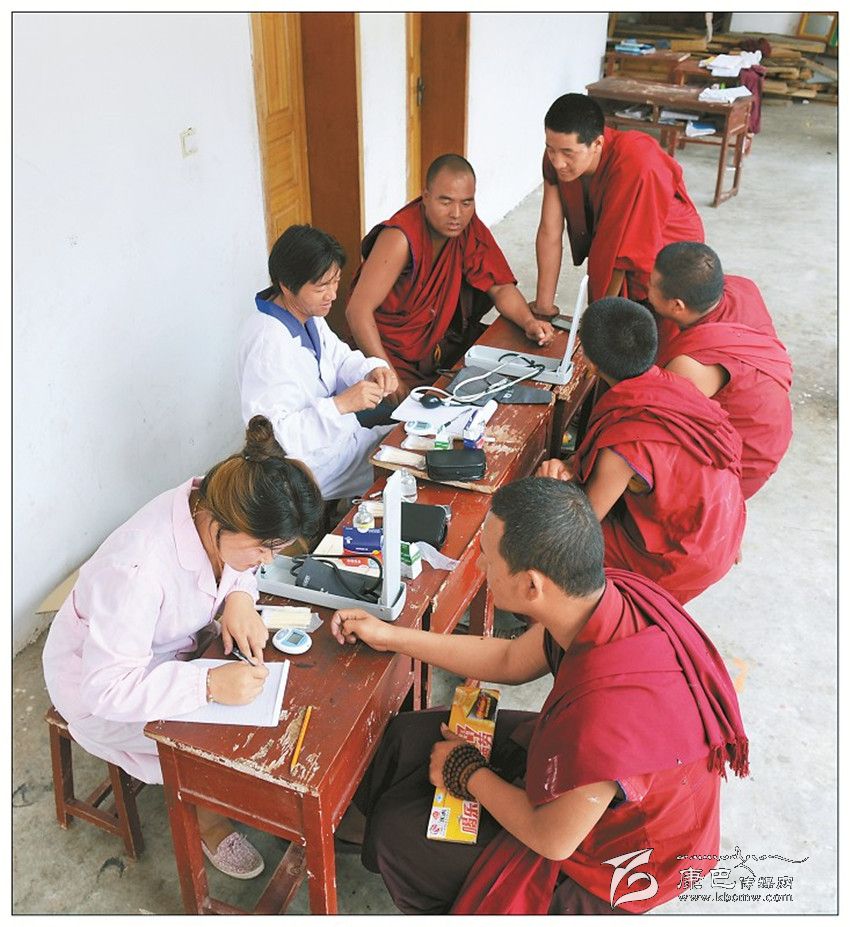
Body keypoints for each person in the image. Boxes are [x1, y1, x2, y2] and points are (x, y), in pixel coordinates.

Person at [329, 478, 748, 914]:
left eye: (489, 559)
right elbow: (510, 658)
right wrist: (391, 637)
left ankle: (391, 842)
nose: (481, 566)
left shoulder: (610, 717)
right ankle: (361, 826)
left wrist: (468, 773)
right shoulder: (595, 598)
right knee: (408, 736)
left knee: (399, 835)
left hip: (619, 855)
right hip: (589, 776)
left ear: (532, 585)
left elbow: (553, 839)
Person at [42, 416, 324, 880]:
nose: (267, 561)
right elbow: (107, 689)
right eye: (264, 549)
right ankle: (208, 818)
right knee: (219, 738)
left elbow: (238, 565)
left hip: (169, 648)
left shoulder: (212, 504)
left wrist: (239, 596)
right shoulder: (137, 570)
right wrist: (208, 684)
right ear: (224, 523)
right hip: (100, 686)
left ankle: (226, 787)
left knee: (265, 703)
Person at [538, 297, 745, 604]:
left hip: (685, 556)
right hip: (723, 525)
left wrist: (551, 487)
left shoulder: (624, 443)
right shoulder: (678, 386)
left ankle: (552, 622)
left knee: (552, 546)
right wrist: (571, 463)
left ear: (591, 365)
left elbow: (585, 523)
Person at [346, 153, 554, 401]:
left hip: (437, 348)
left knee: (513, 368)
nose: (456, 214)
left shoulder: (468, 229)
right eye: (445, 202)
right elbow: (358, 311)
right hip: (388, 358)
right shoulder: (400, 238)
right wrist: (388, 376)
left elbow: (499, 287)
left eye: (466, 203)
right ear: (426, 197)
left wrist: (529, 322)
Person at [239, 224, 398, 501]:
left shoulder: (308, 314)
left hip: (336, 442)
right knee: (405, 466)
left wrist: (372, 370)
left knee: (411, 438)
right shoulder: (268, 344)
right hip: (308, 470)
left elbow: (340, 358)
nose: (333, 295)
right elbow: (277, 437)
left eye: (335, 281)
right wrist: (342, 405)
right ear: (287, 286)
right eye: (322, 286)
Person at [533, 93, 705, 311]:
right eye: (550, 148)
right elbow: (549, 231)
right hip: (616, 247)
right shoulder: (557, 157)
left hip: (668, 252)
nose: (558, 162)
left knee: (639, 319)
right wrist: (543, 307)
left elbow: (620, 255)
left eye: (568, 152)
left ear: (597, 143)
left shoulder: (636, 161)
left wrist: (600, 319)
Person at [649, 242, 793, 499]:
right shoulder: (743, 288)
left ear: (677, 306)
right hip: (773, 431)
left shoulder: (690, 367)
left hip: (741, 464)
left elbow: (653, 426)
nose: (646, 288)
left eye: (651, 285)